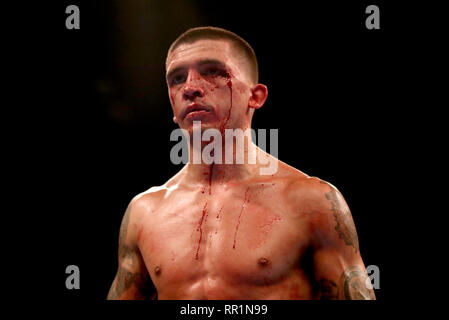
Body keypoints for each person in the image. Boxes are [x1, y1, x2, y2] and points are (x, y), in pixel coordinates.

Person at [107, 26, 375, 300]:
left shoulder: (312, 201)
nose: (189, 88)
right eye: (176, 79)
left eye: (212, 71)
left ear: (255, 96)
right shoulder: (144, 212)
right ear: (172, 105)